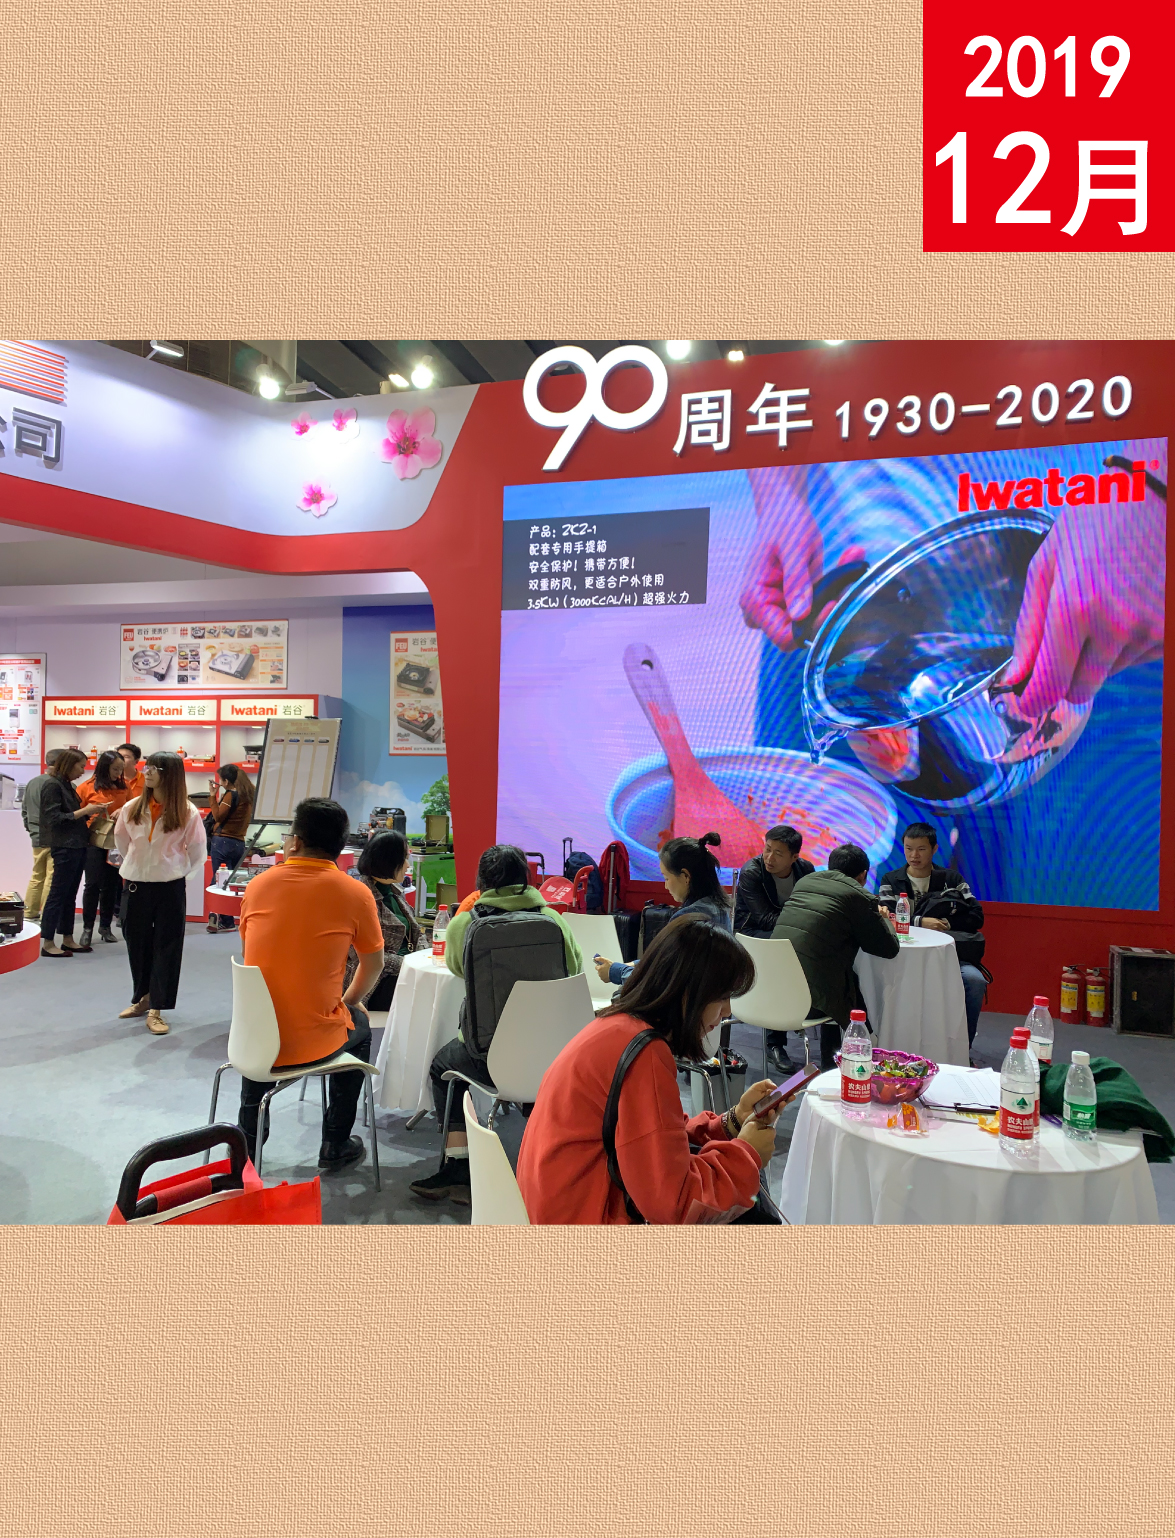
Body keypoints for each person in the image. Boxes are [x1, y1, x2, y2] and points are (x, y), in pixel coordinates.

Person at [517, 913, 779, 1224]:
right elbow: (675, 1205)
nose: (727, 1011)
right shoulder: (644, 1053)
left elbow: (655, 1135)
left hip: (556, 1207)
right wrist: (747, 1154)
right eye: (721, 997)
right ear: (687, 993)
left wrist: (731, 1122)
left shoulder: (617, 1026)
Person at [410, 843, 584, 1205]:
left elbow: (457, 968)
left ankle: (459, 1167)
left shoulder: (465, 923)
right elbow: (575, 969)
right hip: (553, 1055)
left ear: (481, 882)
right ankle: (549, 1160)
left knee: (443, 1067)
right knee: (535, 1079)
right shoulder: (554, 921)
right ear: (527, 878)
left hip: (489, 1057)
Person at [237, 797, 384, 1173]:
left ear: (295, 841)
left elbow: (251, 955)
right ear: (340, 846)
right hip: (316, 1041)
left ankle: (246, 1151)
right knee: (361, 1028)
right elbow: (374, 964)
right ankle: (335, 1142)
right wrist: (349, 1002)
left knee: (265, 1025)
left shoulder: (258, 885)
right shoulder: (355, 893)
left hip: (252, 1041)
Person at [592, 832, 747, 1073]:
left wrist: (615, 972)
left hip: (684, 1022)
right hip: (707, 1021)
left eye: (666, 878)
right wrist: (637, 964)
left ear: (685, 876)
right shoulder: (718, 910)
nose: (665, 885)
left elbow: (662, 982)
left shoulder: (689, 921)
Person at [770, 842, 900, 1071]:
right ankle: (858, 1060)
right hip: (810, 1001)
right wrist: (883, 918)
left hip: (770, 991)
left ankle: (836, 1065)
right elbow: (889, 949)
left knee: (831, 975)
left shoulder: (805, 882)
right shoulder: (859, 896)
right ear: (863, 875)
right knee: (841, 987)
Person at [113, 751, 206, 1035]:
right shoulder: (132, 807)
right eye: (148, 766)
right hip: (136, 883)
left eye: (156, 768)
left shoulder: (187, 811)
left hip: (169, 886)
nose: (148, 772)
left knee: (167, 946)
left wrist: (177, 872)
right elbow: (121, 841)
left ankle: (157, 1007)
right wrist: (138, 865)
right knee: (136, 942)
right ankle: (142, 998)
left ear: (172, 774)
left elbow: (198, 850)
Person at [878, 822, 987, 1051]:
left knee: (975, 981)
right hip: (903, 958)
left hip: (950, 956)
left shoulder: (952, 879)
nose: (914, 856)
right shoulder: (891, 880)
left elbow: (976, 916)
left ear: (934, 849)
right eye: (908, 849)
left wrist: (946, 924)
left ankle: (963, 1050)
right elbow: (887, 919)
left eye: (921, 849)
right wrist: (921, 922)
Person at [734, 824, 816, 1070]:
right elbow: (764, 918)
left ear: (794, 857)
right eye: (767, 849)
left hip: (787, 934)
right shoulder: (752, 872)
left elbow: (813, 907)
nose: (769, 857)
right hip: (752, 934)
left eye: (778, 853)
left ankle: (808, 1009)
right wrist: (802, 927)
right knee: (782, 951)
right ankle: (774, 1043)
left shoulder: (806, 870)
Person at [38, 749, 112, 958]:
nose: (82, 771)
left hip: (77, 845)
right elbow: (54, 818)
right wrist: (86, 811)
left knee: (69, 895)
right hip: (65, 846)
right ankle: (48, 942)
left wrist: (91, 812)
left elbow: (69, 816)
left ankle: (67, 938)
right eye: (80, 766)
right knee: (58, 894)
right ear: (69, 764)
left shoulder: (67, 786)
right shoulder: (52, 785)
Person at [342, 829, 423, 1010]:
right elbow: (360, 955)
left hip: (405, 972)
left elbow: (416, 932)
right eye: (404, 859)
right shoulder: (359, 897)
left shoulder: (395, 892)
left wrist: (424, 957)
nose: (408, 865)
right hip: (374, 984)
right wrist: (410, 964)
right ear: (388, 860)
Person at [77, 750, 133, 946]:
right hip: (93, 842)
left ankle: (105, 927)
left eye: (121, 769)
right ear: (104, 767)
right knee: (92, 884)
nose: (118, 773)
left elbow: (134, 808)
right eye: (115, 769)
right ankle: (87, 928)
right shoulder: (86, 787)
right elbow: (77, 814)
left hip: (116, 842)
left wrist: (123, 810)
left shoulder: (124, 787)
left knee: (112, 885)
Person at [206, 763, 256, 932]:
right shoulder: (247, 796)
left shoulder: (230, 795)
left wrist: (212, 797)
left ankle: (221, 920)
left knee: (218, 881)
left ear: (226, 781)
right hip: (239, 843)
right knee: (231, 882)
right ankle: (229, 919)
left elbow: (218, 816)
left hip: (223, 842)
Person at [21, 747, 63, 924]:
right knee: (52, 876)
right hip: (55, 836)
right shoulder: (59, 784)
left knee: (37, 875)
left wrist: (31, 829)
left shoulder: (32, 782)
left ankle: (29, 911)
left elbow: (24, 810)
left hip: (36, 836)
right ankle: (47, 913)